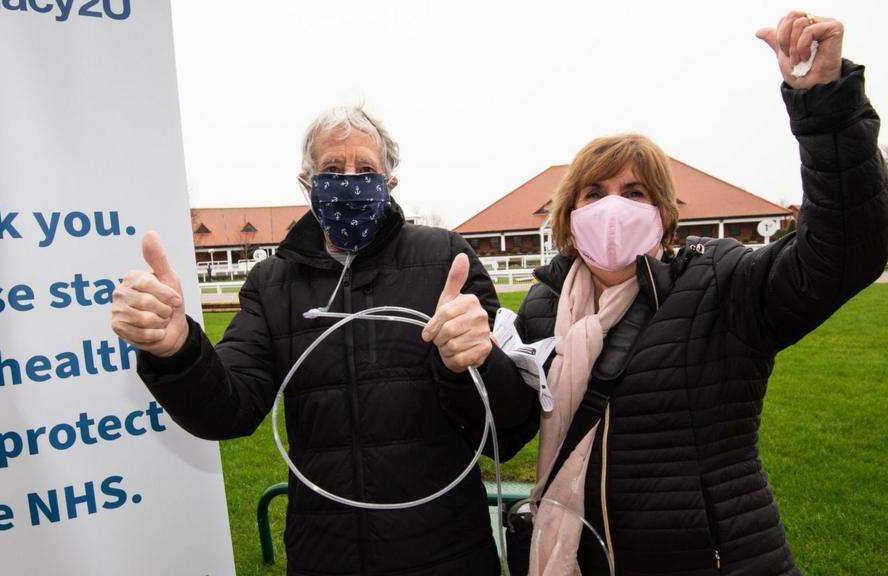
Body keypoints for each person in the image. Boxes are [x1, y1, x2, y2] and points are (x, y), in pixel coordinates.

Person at [510, 11, 888, 576]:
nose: (613, 207)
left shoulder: (721, 287)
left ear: (662, 217)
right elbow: (501, 424)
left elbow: (843, 251)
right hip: (582, 558)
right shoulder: (542, 309)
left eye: (634, 192)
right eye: (595, 192)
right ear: (569, 216)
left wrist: (824, 106)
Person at [110, 106, 537, 575]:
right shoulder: (272, 283)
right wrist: (178, 351)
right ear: (307, 183)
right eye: (333, 170)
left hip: (445, 554)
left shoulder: (445, 260)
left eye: (366, 170)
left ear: (390, 183)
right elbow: (229, 409)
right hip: (326, 556)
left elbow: (509, 429)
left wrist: (475, 361)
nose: (350, 182)